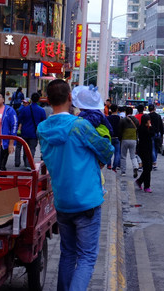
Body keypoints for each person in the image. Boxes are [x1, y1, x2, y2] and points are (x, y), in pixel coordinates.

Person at [37, 79, 113, 291]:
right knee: (87, 257)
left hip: (62, 201)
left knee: (68, 253)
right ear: (70, 98)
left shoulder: (42, 128)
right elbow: (106, 151)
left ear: (49, 100)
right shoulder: (80, 126)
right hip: (87, 200)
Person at [15, 92, 47, 168]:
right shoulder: (41, 110)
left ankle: (18, 162)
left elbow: (19, 119)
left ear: (31, 99)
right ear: (39, 99)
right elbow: (43, 122)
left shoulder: (25, 109)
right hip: (34, 132)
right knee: (32, 148)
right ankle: (28, 164)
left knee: (23, 147)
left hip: (24, 131)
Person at [119, 106, 140, 178]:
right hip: (133, 139)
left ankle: (123, 171)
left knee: (123, 156)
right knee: (133, 156)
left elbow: (120, 130)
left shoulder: (123, 120)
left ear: (126, 112)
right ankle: (135, 167)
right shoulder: (136, 120)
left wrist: (120, 138)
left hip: (124, 139)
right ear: (132, 112)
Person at [135, 114, 154, 192]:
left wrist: (150, 126)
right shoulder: (141, 128)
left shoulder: (148, 128)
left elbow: (153, 133)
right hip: (143, 150)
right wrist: (150, 127)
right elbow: (149, 134)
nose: (150, 121)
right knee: (147, 167)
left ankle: (139, 181)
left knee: (149, 167)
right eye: (148, 120)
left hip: (149, 149)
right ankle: (147, 186)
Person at [107, 104, 122, 171]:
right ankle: (115, 166)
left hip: (110, 137)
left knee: (109, 151)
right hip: (117, 137)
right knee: (117, 153)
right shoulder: (119, 118)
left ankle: (109, 165)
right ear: (117, 110)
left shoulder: (108, 118)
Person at [147, 104, 163, 169]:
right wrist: (162, 134)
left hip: (150, 133)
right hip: (157, 133)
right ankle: (154, 162)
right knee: (156, 148)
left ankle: (154, 162)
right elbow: (161, 126)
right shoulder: (158, 116)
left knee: (152, 148)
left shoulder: (147, 116)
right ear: (154, 109)